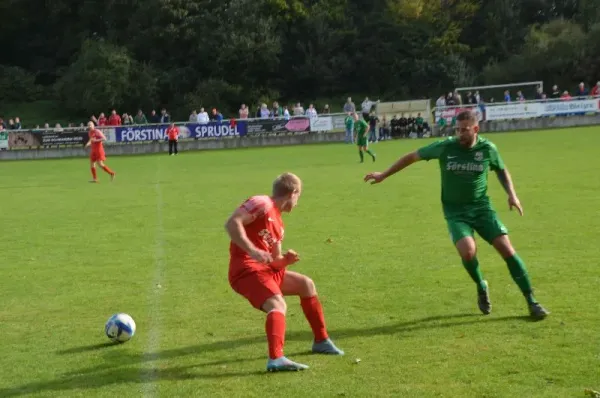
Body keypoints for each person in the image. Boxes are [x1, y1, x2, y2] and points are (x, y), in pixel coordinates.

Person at [364, 110, 549, 318]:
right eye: (458, 129)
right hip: (455, 212)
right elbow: (412, 157)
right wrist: (384, 175)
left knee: (507, 249)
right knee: (468, 252)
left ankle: (531, 301)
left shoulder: (488, 148)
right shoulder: (445, 146)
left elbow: (501, 169)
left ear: (476, 129)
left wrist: (512, 195)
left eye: (465, 130)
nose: (460, 134)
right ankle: (481, 285)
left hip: (482, 209)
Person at [225, 173, 344, 372]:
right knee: (277, 304)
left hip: (264, 271)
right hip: (245, 269)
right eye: (299, 197)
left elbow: (274, 262)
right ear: (293, 193)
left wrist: (286, 261)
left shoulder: (279, 225)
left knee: (306, 284)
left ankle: (321, 341)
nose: (297, 203)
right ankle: (276, 358)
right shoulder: (261, 203)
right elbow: (232, 223)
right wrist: (252, 250)